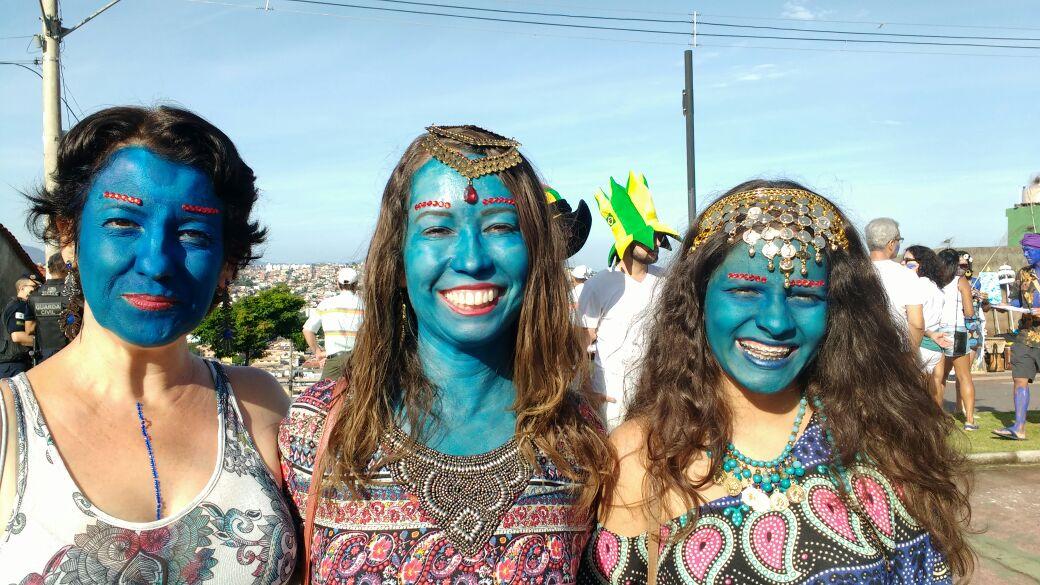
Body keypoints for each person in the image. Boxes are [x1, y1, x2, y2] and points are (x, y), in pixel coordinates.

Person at [581, 180, 973, 584]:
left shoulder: (884, 437)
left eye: (803, 295)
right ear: (698, 300)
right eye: (745, 290)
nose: (775, 321)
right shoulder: (638, 456)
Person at [279, 125, 611, 583]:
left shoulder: (577, 440)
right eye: (437, 228)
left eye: (500, 226)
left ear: (536, 255)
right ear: (397, 261)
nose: (472, 260)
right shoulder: (314, 432)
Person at [0, 106, 297, 581]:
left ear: (228, 262)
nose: (157, 261)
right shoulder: (7, 426)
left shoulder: (259, 406)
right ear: (67, 235)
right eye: (123, 223)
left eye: (194, 232)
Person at [579, 171, 679, 429]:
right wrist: (585, 390)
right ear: (629, 239)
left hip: (658, 402)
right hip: (612, 406)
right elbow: (580, 342)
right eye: (650, 235)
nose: (657, 241)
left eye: (658, 235)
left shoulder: (667, 282)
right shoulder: (600, 284)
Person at [993, 233, 1040, 440]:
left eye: (1029, 250)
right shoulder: (1023, 274)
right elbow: (1016, 303)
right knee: (1020, 380)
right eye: (1024, 250)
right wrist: (1000, 306)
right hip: (1025, 337)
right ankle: (1019, 427)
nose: (1026, 254)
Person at [865, 217, 925, 349]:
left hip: (859, 352)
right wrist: (910, 356)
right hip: (895, 352)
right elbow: (916, 324)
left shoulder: (851, 272)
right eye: (899, 240)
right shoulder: (907, 276)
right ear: (891, 244)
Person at [935, 249, 978, 431]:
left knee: (940, 377)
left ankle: (938, 417)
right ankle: (969, 420)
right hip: (958, 330)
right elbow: (969, 312)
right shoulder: (961, 282)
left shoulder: (934, 282)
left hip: (938, 332)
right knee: (964, 376)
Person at [903, 245, 953, 398]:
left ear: (921, 263)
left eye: (908, 261)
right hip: (933, 346)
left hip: (920, 345)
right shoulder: (935, 287)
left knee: (917, 395)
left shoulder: (918, 285)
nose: (903, 264)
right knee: (931, 390)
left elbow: (915, 321)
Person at [302, 265, 364, 380]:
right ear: (356, 285)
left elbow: (308, 330)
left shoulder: (326, 304)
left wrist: (318, 352)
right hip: (361, 360)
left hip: (335, 361)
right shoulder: (365, 305)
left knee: (325, 394)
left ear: (338, 284)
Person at [28, 253, 70, 363]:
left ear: (49, 270)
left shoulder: (34, 296)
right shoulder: (74, 295)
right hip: (69, 353)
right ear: (66, 268)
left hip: (43, 356)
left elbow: (29, 329)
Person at [0, 277, 39, 377]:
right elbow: (18, 336)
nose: (37, 289)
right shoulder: (19, 306)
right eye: (34, 286)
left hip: (13, 363)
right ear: (22, 288)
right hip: (13, 365)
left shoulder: (20, 305)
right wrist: (45, 343)